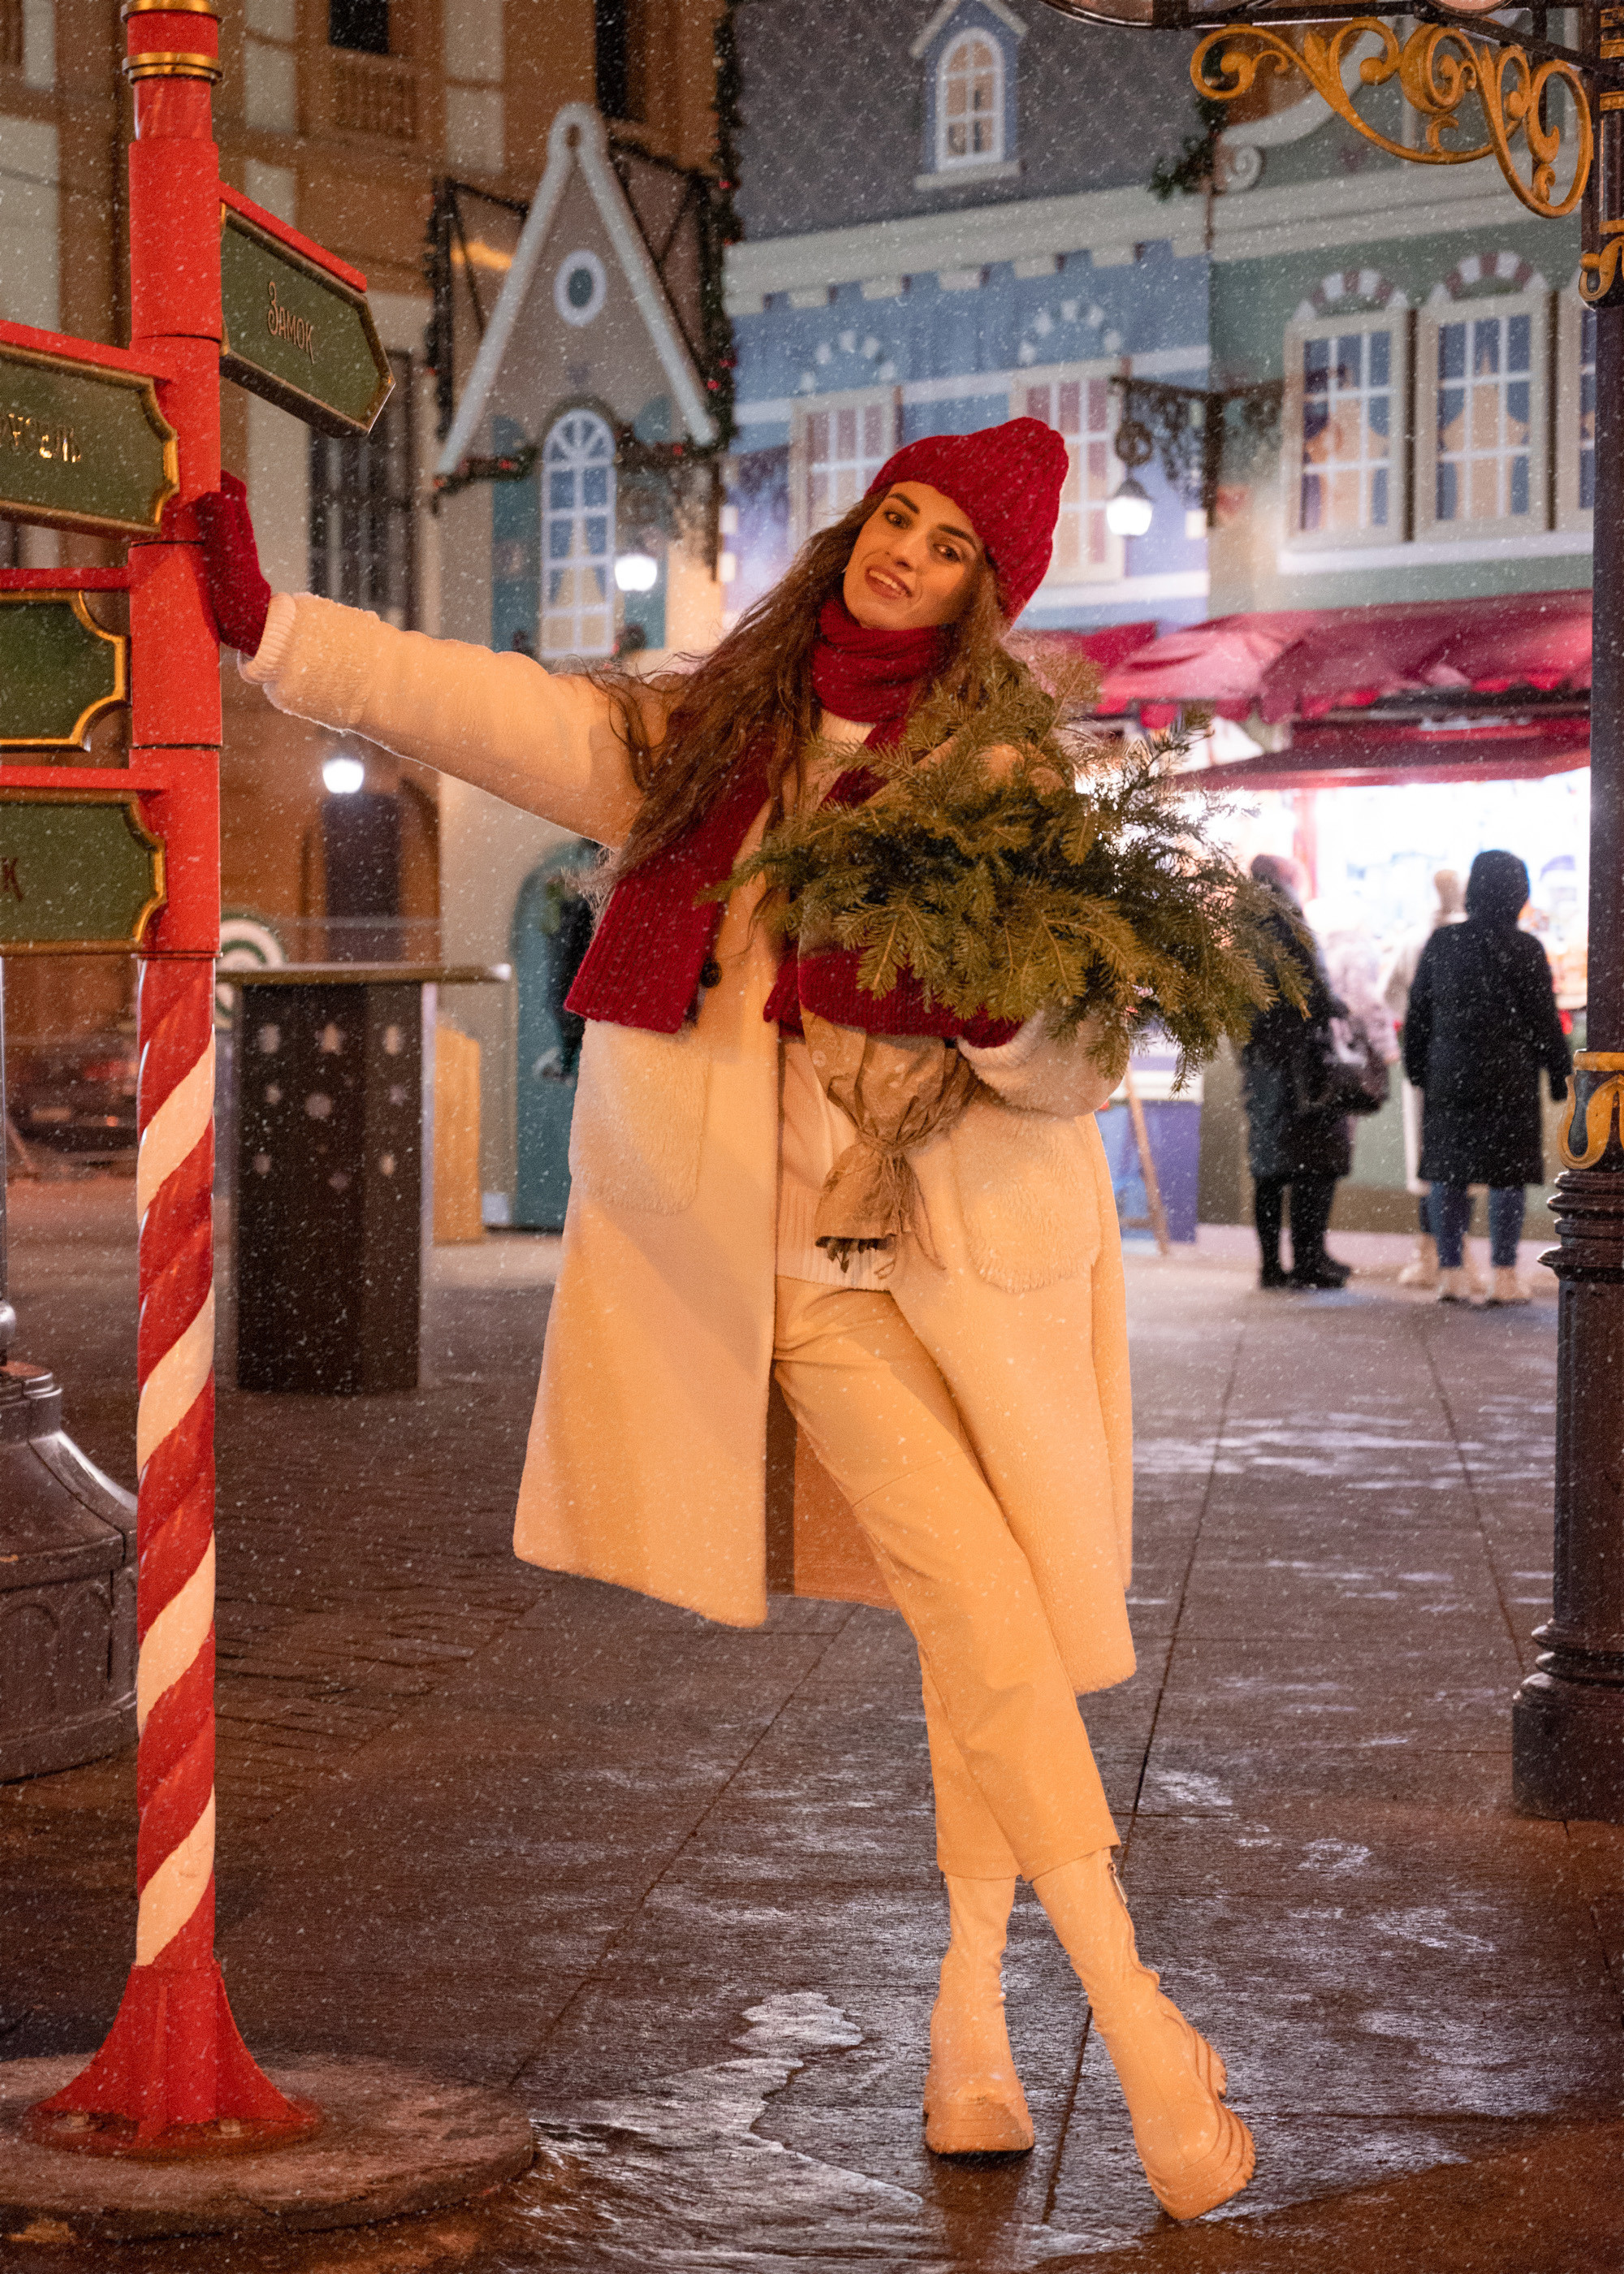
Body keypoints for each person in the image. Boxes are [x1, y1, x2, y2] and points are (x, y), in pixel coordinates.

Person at [196, 422, 1253, 2220]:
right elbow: (497, 705)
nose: (900, 550)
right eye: (892, 513)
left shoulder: (1002, 780)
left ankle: (971, 2021)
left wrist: (966, 1014)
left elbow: (1083, 1049)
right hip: (799, 1281)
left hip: (978, 1258)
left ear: (984, 589)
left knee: (974, 1639)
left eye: (942, 540)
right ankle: (1142, 2024)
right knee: (982, 1609)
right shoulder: (710, 737)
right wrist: (280, 628)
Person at [1403, 850, 1570, 1308]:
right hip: (1509, 1075)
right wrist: (1559, 1075)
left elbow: (1418, 1013)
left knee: (1448, 1173)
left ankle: (1451, 1273)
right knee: (1506, 1176)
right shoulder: (1527, 948)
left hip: (1450, 1073)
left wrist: (1418, 1068)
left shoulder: (1442, 942)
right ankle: (1504, 1275)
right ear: (1520, 894)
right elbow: (1544, 1020)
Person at [1240, 854, 1353, 1290]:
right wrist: (1334, 1006)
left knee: (1269, 1169)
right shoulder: (1290, 923)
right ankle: (1309, 1259)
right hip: (1302, 1065)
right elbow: (1314, 990)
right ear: (1287, 881)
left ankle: (1271, 1266)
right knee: (1314, 1165)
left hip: (1263, 1064)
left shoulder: (1244, 928)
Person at [1380, 870, 1466, 1290]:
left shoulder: (1416, 938)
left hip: (1425, 1058)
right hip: (1466, 1061)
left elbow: (1389, 991)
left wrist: (1414, 1022)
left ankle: (1431, 1252)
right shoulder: (1472, 937)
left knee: (1429, 1162)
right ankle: (1455, 1254)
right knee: (1462, 1162)